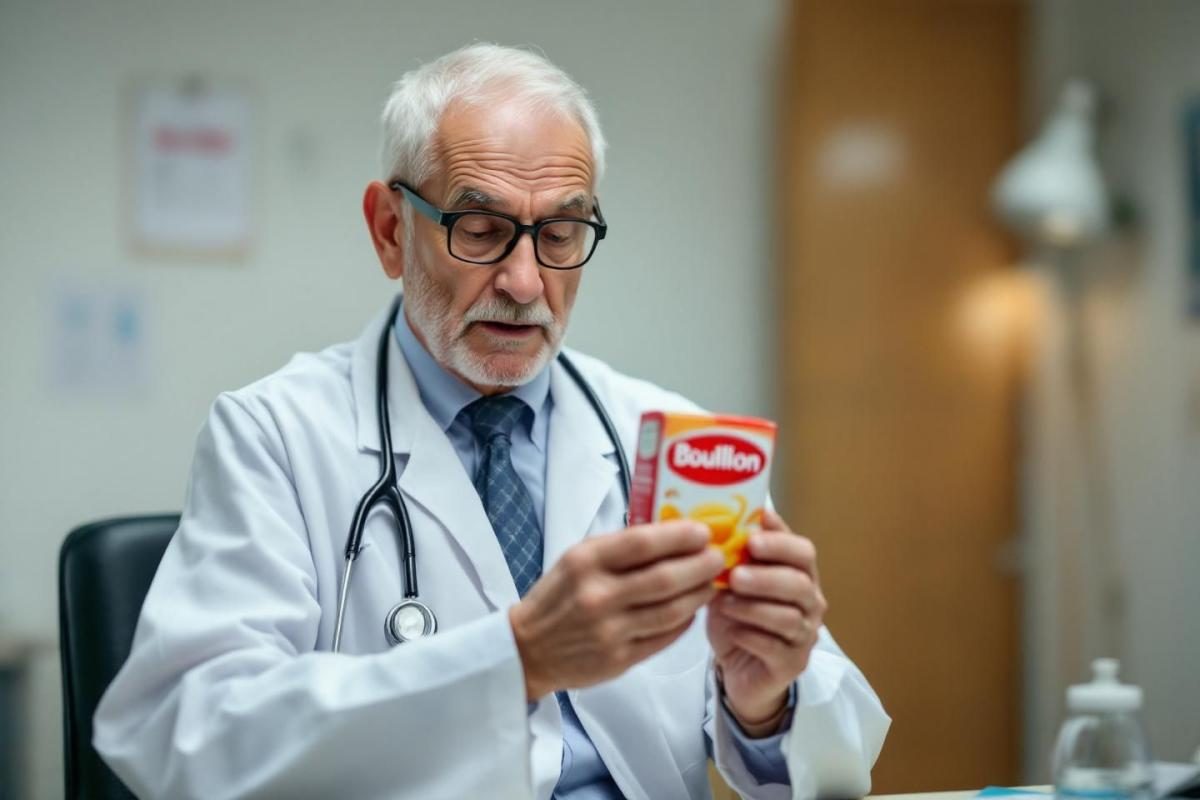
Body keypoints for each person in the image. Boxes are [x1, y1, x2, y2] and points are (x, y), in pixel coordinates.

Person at [94, 43, 889, 800]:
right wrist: (514, 659)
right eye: (479, 229)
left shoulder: (669, 433)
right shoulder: (274, 434)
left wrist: (765, 702)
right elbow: (182, 736)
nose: (525, 281)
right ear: (390, 231)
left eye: (561, 233)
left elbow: (833, 759)